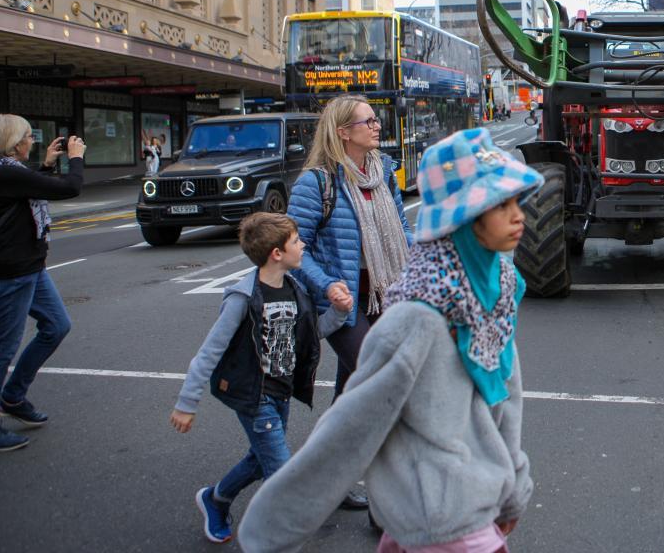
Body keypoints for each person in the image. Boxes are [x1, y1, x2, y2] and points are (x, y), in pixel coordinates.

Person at [238, 127, 541, 553]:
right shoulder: (416, 318)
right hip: (440, 520)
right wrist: (274, 527)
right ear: (464, 217)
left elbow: (506, 399)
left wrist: (513, 492)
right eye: (500, 204)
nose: (518, 215)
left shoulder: (496, 291)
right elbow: (351, 425)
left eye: (516, 202)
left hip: (468, 508)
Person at [287, 95, 412, 511]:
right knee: (378, 383)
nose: (377, 126)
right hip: (342, 302)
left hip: (383, 291)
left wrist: (417, 275)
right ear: (343, 131)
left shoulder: (384, 172)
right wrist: (326, 286)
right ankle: (385, 495)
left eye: (376, 120)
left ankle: (323, 481)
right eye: (368, 121)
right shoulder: (317, 182)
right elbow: (293, 248)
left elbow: (403, 230)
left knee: (347, 398)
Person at [170, 212, 320, 545]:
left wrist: (338, 311)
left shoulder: (295, 290)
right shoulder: (243, 298)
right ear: (277, 254)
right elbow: (209, 352)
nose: (303, 244)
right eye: (296, 240)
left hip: (281, 393)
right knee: (282, 477)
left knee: (258, 459)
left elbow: (313, 335)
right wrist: (186, 402)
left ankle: (216, 499)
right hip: (256, 396)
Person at [0, 117, 85, 452]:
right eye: (27, 137)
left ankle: (13, 396)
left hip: (31, 267)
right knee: (4, 348)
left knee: (57, 326)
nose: (32, 141)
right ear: (14, 142)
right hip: (13, 271)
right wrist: (75, 158)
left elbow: (29, 188)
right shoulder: (6, 172)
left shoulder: (11, 171)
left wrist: (47, 166)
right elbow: (70, 188)